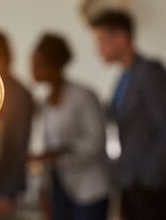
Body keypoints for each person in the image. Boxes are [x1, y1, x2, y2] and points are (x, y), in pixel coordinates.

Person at [90, 10, 166, 220]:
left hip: (150, 186)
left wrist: (148, 176)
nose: (98, 49)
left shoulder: (149, 71)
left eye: (102, 40)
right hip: (130, 182)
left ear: (122, 37)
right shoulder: (124, 76)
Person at [31, 33, 110, 220]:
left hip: (89, 189)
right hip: (60, 189)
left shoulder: (83, 96)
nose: (32, 69)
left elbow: (97, 141)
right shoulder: (46, 102)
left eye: (37, 63)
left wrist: (59, 154)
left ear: (53, 64)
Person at [0, 31, 34, 220]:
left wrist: (8, 193)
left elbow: (19, 146)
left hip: (4, 186)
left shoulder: (19, 95)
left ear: (5, 58)